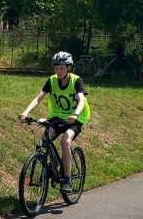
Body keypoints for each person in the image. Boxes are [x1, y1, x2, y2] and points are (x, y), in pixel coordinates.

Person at [19, 51, 90, 192]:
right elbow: (38, 98)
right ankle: (55, 162)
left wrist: (75, 114)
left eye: (62, 68)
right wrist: (26, 112)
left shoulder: (76, 80)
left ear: (69, 68)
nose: (58, 71)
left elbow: (81, 100)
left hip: (75, 118)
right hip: (57, 116)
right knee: (45, 137)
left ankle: (67, 180)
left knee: (65, 141)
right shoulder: (51, 81)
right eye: (56, 68)